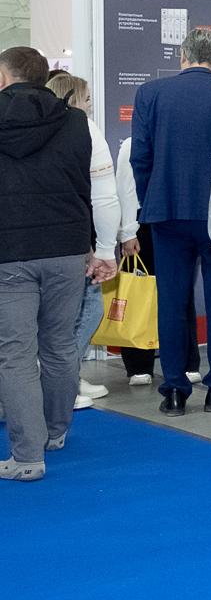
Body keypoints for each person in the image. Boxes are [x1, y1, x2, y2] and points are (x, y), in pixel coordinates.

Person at [0, 47, 115, 481]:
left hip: (9, 251)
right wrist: (106, 249)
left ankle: (27, 456)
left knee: (15, 353)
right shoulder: (78, 123)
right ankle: (55, 431)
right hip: (68, 250)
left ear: (3, 78)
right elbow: (104, 194)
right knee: (60, 344)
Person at [130, 28, 211, 416]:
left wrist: (151, 197)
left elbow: (140, 157)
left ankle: (173, 390)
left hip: (165, 211)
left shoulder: (150, 93)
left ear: (182, 56)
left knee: (171, 302)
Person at [43, 72, 121, 412]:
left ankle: (63, 378)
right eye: (87, 98)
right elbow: (104, 195)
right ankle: (62, 381)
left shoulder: (38, 132)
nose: (91, 105)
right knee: (83, 311)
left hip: (40, 242)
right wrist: (104, 248)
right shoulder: (84, 131)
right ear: (73, 99)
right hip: (76, 239)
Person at [114, 136, 202, 386]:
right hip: (141, 224)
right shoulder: (132, 144)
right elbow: (125, 189)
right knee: (137, 293)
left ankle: (187, 362)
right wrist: (128, 232)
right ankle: (139, 365)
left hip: (174, 218)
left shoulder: (177, 140)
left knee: (180, 293)